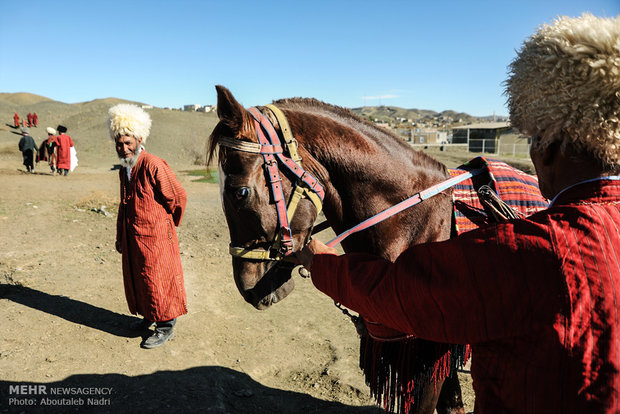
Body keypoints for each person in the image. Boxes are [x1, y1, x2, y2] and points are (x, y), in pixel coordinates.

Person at [295, 14, 620, 414]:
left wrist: (321, 262)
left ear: (548, 147)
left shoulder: (527, 252)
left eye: (533, 138)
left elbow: (406, 297)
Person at [107, 103, 188, 349]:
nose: (123, 148)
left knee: (158, 278)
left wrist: (166, 226)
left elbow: (178, 196)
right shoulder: (126, 170)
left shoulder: (153, 164)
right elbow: (124, 204)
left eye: (128, 143)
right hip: (134, 237)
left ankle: (165, 326)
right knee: (140, 278)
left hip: (157, 238)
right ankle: (148, 317)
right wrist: (121, 235)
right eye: (119, 144)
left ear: (139, 139)